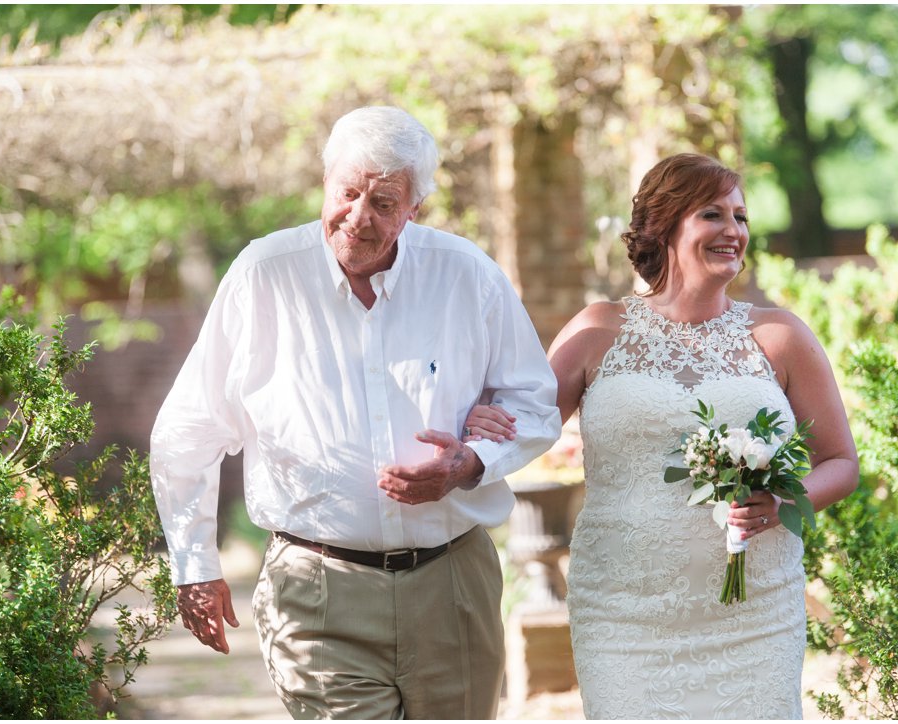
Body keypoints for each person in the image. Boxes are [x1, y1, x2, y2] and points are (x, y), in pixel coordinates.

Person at [150, 106, 561, 720]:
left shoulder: (466, 275)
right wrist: (194, 563)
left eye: (384, 202)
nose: (358, 217)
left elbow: (532, 401)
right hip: (316, 592)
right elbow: (189, 428)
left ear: (415, 208)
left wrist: (472, 461)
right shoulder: (264, 277)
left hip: (451, 583)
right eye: (347, 192)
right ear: (325, 183)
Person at [464, 153, 859, 719]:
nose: (734, 231)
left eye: (741, 217)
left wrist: (783, 499)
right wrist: (482, 422)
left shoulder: (779, 336)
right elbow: (524, 424)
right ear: (666, 226)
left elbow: (841, 462)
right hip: (625, 617)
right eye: (712, 215)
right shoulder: (598, 330)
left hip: (755, 615)